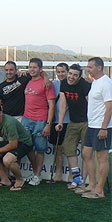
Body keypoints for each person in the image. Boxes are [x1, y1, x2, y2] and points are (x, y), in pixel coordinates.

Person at [79, 57, 112, 199]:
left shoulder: (106, 83)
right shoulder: (95, 82)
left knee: (102, 157)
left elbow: (109, 107)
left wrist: (104, 128)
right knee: (86, 153)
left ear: (99, 68)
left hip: (101, 126)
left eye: (90, 67)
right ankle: (92, 184)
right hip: (92, 125)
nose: (88, 69)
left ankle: (99, 190)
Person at [0, 103, 33, 191]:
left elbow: (13, 145)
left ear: (1, 113)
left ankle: (19, 180)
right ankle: (5, 180)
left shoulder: (9, 122)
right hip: (11, 141)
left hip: (24, 143)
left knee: (7, 160)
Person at [56, 64, 91, 190]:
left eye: (75, 75)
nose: (71, 77)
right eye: (70, 74)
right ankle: (77, 178)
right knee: (68, 148)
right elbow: (63, 104)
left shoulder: (85, 85)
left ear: (79, 76)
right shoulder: (63, 83)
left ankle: (83, 181)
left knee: (86, 152)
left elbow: (91, 104)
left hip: (87, 121)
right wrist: (60, 122)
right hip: (73, 121)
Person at [22, 58, 56, 186]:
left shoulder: (47, 84)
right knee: (28, 147)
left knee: (40, 149)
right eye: (30, 67)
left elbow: (51, 105)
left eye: (35, 67)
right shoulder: (28, 81)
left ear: (40, 69)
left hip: (40, 120)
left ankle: (37, 175)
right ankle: (35, 172)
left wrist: (48, 124)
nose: (32, 69)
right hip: (27, 119)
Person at [49, 63, 70, 182]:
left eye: (63, 72)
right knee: (57, 149)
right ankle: (58, 174)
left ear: (67, 72)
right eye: (59, 72)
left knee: (69, 149)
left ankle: (72, 174)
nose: (61, 74)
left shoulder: (71, 84)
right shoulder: (54, 84)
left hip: (68, 121)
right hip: (55, 120)